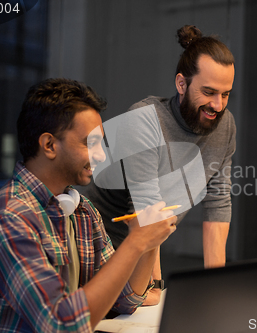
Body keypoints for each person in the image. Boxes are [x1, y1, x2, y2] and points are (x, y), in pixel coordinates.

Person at [0, 78, 177, 332]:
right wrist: (135, 242)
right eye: (89, 143)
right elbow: (61, 324)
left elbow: (124, 299)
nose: (101, 155)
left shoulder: (81, 210)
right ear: (49, 145)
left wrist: (149, 242)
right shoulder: (10, 217)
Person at [80, 25, 236, 304]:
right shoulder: (144, 121)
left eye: (225, 94)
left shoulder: (225, 126)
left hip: (144, 249)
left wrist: (218, 287)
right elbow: (147, 211)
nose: (218, 105)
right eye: (209, 92)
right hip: (97, 255)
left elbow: (218, 201)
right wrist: (153, 285)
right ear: (181, 84)